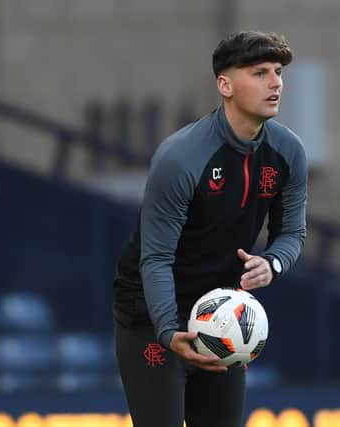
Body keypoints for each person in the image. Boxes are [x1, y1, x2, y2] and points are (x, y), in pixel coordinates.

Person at [112, 30, 308, 427]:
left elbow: (292, 233)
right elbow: (157, 257)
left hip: (222, 312)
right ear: (225, 85)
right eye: (259, 73)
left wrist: (273, 264)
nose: (275, 83)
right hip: (152, 318)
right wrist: (168, 331)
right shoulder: (181, 157)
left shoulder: (288, 152)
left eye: (278, 72)